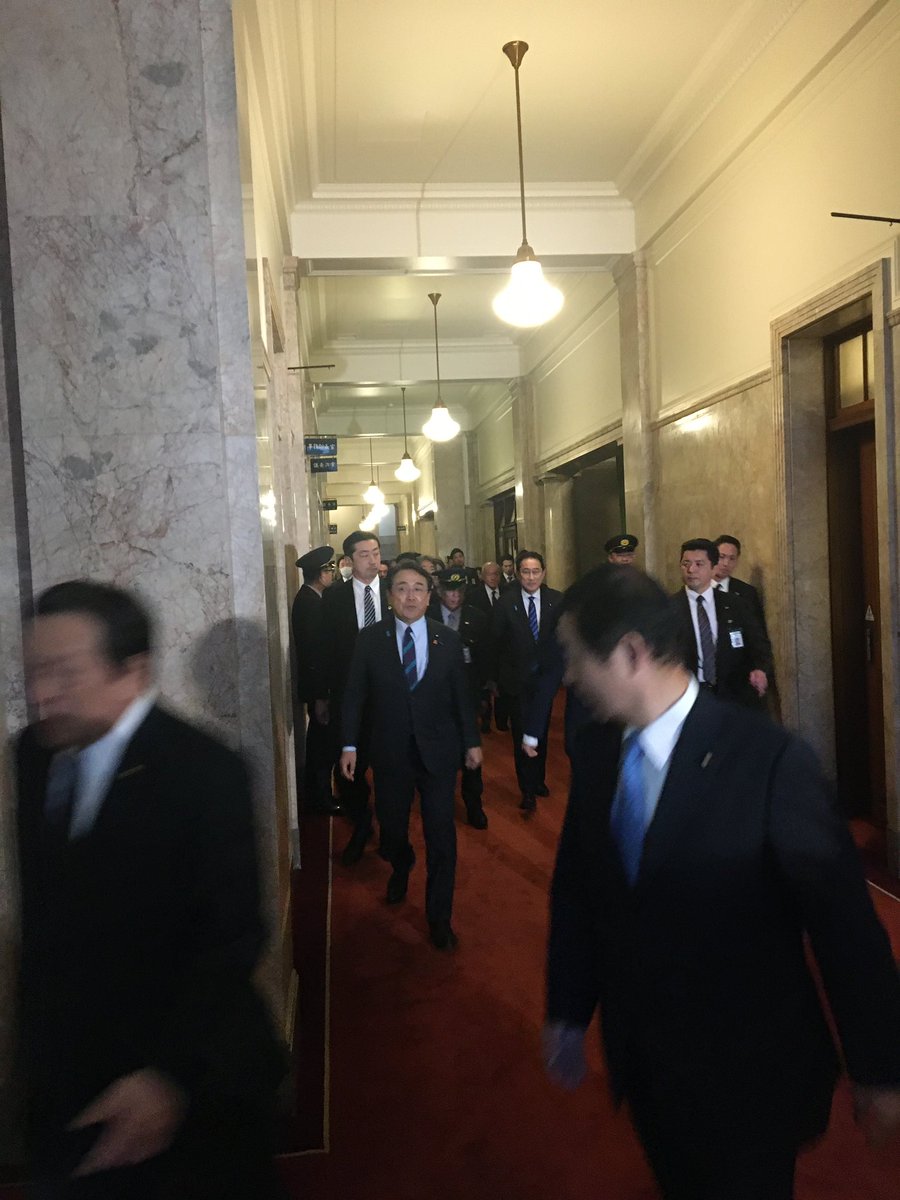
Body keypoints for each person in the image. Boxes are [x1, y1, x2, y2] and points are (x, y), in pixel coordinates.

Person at [544, 564, 900, 1200]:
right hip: (647, 1063)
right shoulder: (597, 752)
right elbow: (579, 886)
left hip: (747, 1074)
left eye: (575, 657)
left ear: (630, 653)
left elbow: (844, 926)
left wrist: (880, 1069)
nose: (569, 676)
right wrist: (569, 1009)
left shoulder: (768, 760)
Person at [16, 580, 287, 1200]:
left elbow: (232, 938)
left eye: (63, 673)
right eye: (33, 672)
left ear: (131, 671)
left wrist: (166, 1076)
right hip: (70, 1085)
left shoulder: (205, 771)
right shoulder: (33, 756)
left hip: (187, 1091)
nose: (40, 694)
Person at [339, 563, 481, 950]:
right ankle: (401, 863)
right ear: (389, 596)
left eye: (419, 588)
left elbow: (461, 697)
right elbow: (355, 695)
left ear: (430, 596)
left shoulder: (447, 639)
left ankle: (439, 917)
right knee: (392, 828)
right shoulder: (370, 640)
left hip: (439, 752)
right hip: (390, 752)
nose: (411, 596)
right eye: (402, 588)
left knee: (442, 836)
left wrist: (472, 741)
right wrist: (349, 744)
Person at [315, 530, 389, 866]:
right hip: (349, 697)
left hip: (389, 698)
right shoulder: (333, 599)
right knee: (350, 770)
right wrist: (322, 696)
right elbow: (324, 651)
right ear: (349, 560)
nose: (373, 560)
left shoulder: (395, 592)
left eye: (376, 552)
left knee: (390, 766)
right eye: (364, 554)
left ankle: (390, 830)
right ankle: (360, 825)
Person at [490, 550, 561, 812]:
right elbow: (495, 642)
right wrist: (497, 679)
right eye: (526, 572)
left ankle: (539, 779)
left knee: (541, 731)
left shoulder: (556, 600)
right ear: (518, 574)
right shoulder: (506, 603)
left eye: (535, 571)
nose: (531, 577)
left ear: (543, 573)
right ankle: (527, 788)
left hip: (545, 681)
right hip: (516, 682)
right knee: (521, 733)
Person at [673, 537, 770, 709]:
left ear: (712, 567)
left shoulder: (735, 604)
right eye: (685, 564)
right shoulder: (669, 608)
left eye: (699, 564)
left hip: (732, 694)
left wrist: (760, 670)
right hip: (688, 695)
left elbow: (758, 643)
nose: (691, 570)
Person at [431, 568, 490, 828]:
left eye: (459, 591)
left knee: (471, 749)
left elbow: (485, 657)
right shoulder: (428, 616)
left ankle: (473, 803)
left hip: (467, 696)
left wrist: (484, 692)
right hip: (435, 698)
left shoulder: (477, 618)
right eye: (449, 591)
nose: (454, 596)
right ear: (440, 591)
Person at [290, 545, 341, 816]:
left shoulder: (312, 598)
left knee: (321, 744)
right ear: (320, 574)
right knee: (321, 747)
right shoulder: (309, 603)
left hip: (319, 687)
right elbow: (314, 654)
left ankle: (319, 794)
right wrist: (321, 696)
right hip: (318, 689)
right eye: (329, 569)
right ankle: (319, 798)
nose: (332, 573)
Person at [713, 533, 769, 632]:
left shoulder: (746, 593)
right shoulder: (699, 588)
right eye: (721, 557)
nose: (726, 563)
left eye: (732, 558)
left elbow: (758, 632)